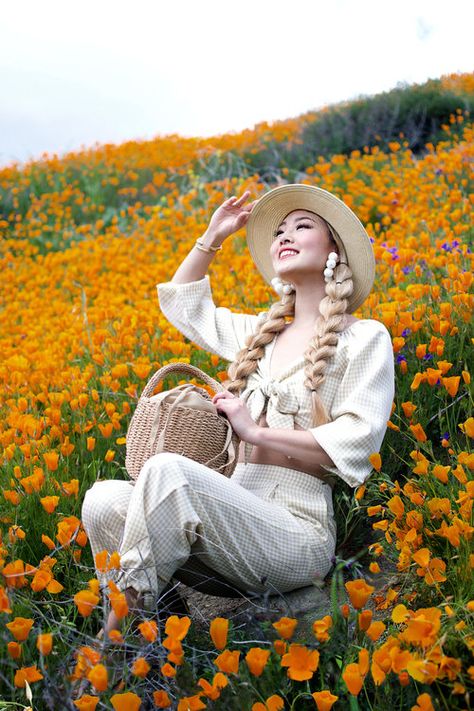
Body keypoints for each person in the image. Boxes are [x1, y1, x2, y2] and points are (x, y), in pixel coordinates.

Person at [81, 184, 395, 636]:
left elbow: (359, 441)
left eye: (302, 226)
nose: (284, 235)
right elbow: (185, 306)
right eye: (278, 231)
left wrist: (256, 432)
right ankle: (154, 636)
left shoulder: (363, 338)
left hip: (295, 534)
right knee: (103, 500)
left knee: (169, 471)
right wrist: (212, 237)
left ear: (334, 250)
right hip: (228, 523)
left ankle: (110, 647)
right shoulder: (260, 334)